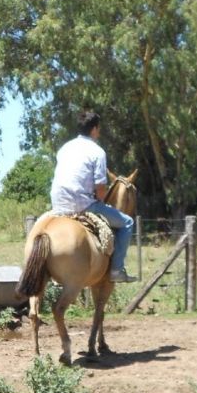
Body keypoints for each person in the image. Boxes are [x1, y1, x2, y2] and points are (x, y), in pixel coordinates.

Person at [50, 111, 137, 283]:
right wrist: (101, 200)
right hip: (83, 204)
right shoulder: (97, 151)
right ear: (95, 129)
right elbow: (100, 187)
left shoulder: (64, 149)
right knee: (128, 222)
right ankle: (117, 270)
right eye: (99, 128)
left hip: (58, 203)